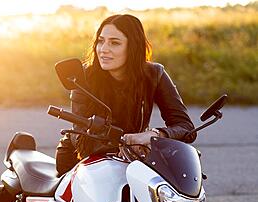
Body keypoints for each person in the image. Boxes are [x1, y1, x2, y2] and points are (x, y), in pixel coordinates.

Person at [55, 14, 196, 175]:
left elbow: (186, 128)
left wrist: (154, 135)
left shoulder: (154, 74)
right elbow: (79, 138)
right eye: (100, 41)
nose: (103, 49)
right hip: (79, 161)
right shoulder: (83, 76)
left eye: (114, 43)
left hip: (134, 159)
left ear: (133, 47)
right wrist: (126, 143)